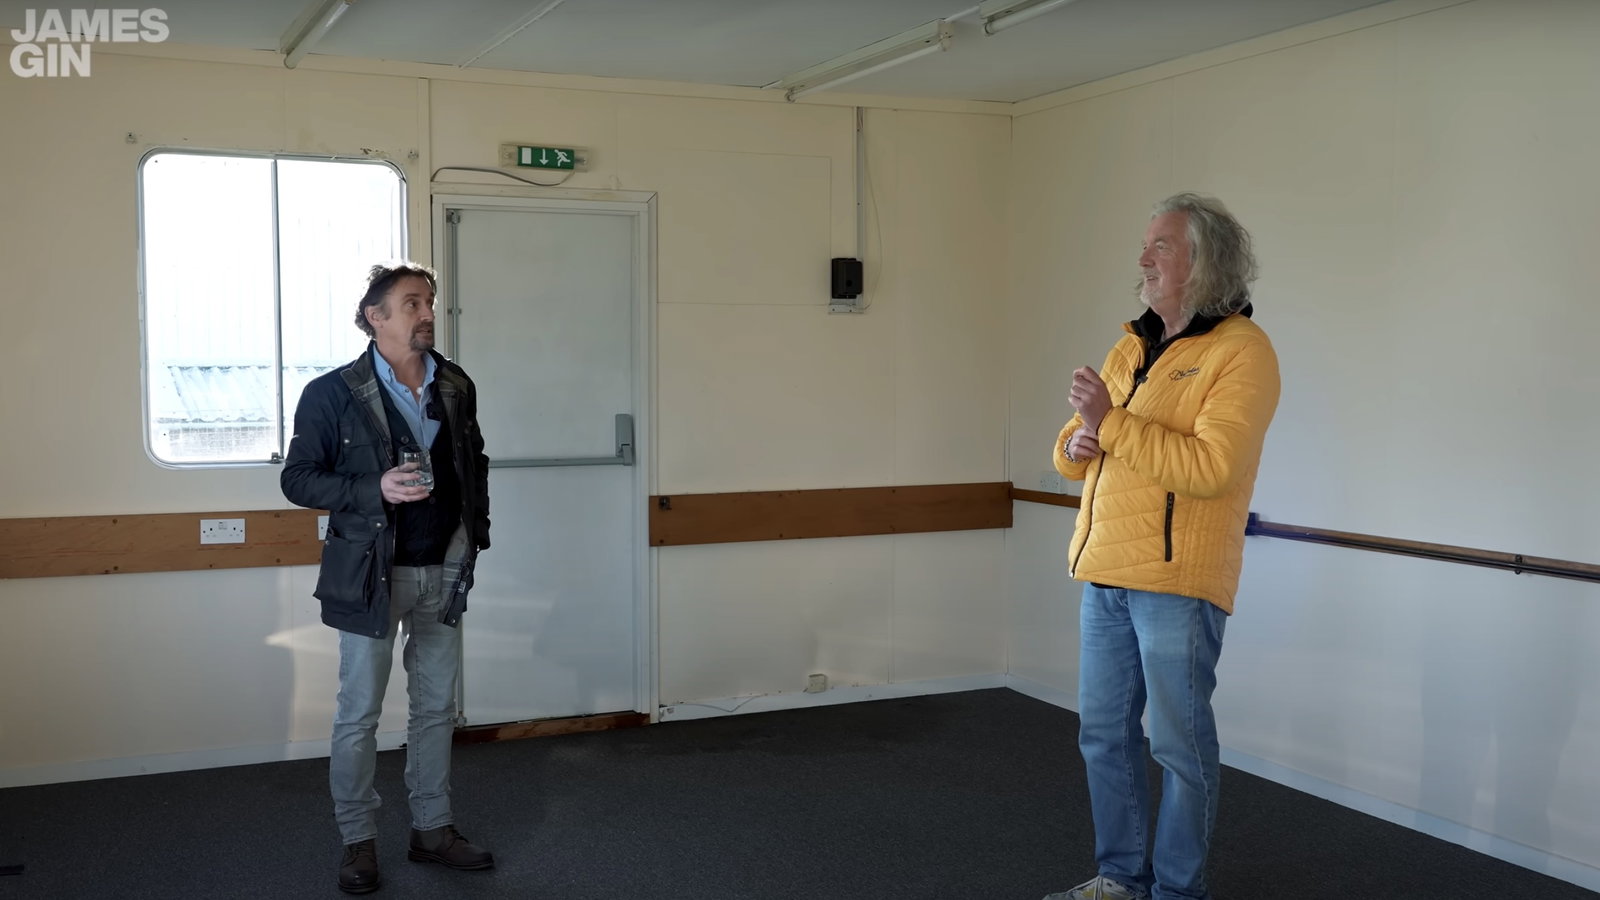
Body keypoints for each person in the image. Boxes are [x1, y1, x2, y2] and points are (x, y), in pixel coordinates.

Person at [1044, 194, 1280, 900]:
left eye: (1163, 246)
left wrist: (1109, 425)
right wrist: (1081, 440)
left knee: (1179, 750)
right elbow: (1074, 454)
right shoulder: (1132, 344)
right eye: (1147, 244)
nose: (1144, 258)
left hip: (1178, 582)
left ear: (1205, 262)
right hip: (1105, 573)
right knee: (1104, 740)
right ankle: (1120, 880)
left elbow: (1210, 469)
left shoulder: (1242, 353)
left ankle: (1178, 892)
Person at [282, 261, 494, 894]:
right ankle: (358, 842)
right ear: (374, 318)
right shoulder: (331, 392)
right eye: (410, 304)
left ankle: (432, 829)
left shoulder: (454, 383)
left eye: (427, 301)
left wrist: (474, 533)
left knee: (435, 711)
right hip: (372, 576)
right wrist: (372, 487)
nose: (426, 312)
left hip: (444, 569)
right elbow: (297, 479)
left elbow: (472, 460)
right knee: (359, 715)